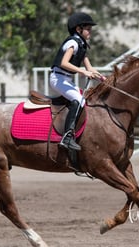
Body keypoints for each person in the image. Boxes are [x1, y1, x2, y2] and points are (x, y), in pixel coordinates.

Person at [50, 12, 106, 151]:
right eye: (88, 29)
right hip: (58, 78)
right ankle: (67, 137)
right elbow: (64, 63)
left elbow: (89, 67)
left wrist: (101, 77)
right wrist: (83, 72)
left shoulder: (82, 45)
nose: (90, 32)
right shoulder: (72, 43)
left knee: (83, 99)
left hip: (65, 79)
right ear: (78, 29)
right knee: (79, 100)